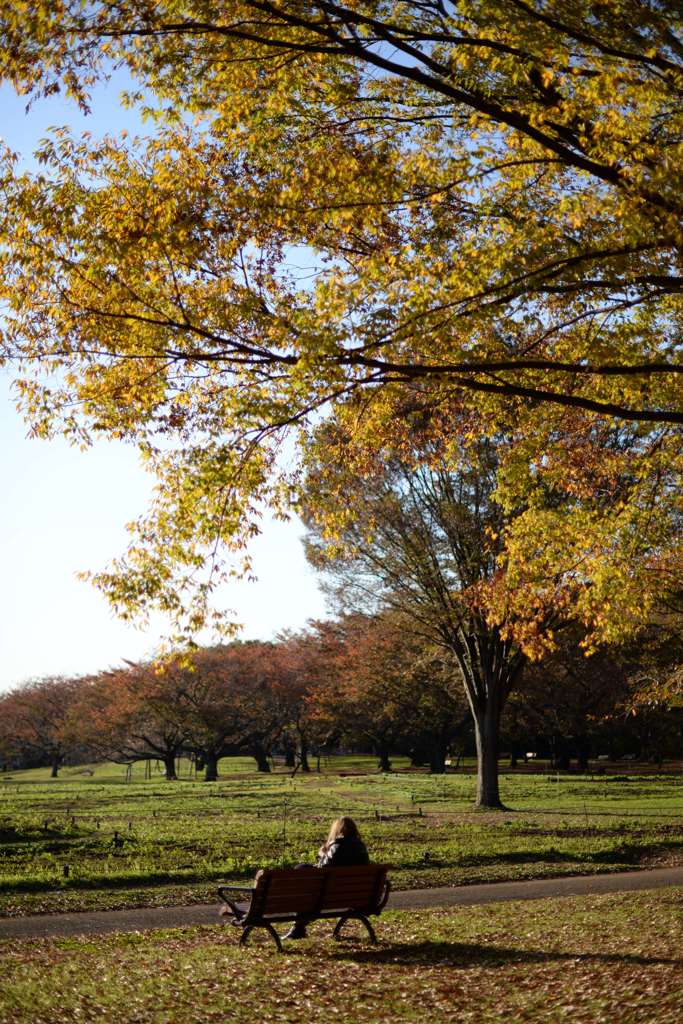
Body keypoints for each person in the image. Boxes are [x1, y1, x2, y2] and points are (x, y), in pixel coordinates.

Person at [283, 816, 369, 940]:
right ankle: (298, 928)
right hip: (355, 896)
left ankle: (298, 928)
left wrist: (322, 854)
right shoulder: (361, 847)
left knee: (300, 869)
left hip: (328, 896)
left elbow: (323, 870)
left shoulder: (336, 846)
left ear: (338, 830)